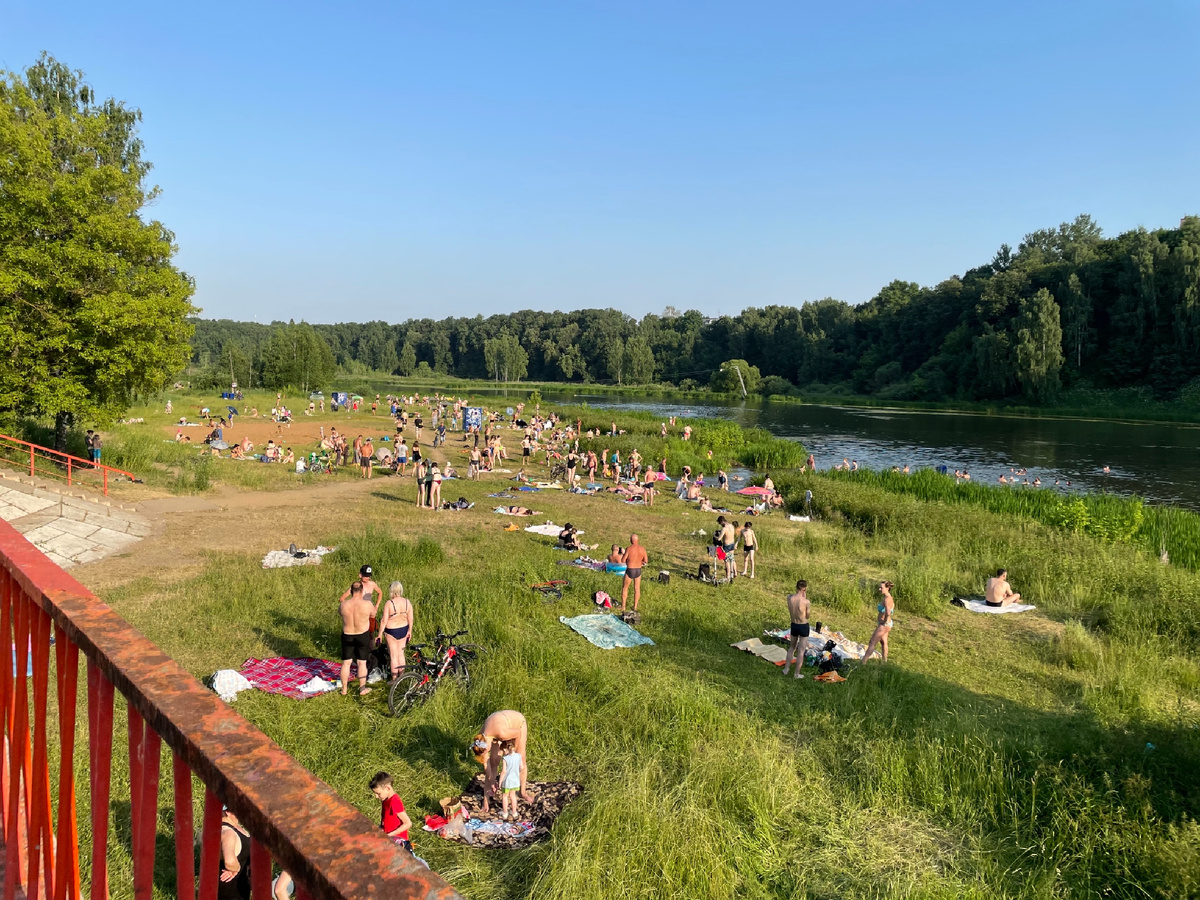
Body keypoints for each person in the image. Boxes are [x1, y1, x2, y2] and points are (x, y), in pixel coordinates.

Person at [473, 710, 532, 809]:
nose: (485, 754)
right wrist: (492, 781)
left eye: (486, 752)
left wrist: (512, 754)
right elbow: (486, 765)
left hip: (516, 725)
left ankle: (523, 792)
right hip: (497, 727)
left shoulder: (502, 733)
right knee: (493, 762)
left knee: (520, 758)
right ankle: (486, 801)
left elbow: (517, 733)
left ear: (487, 746)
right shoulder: (480, 739)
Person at [338, 581, 374, 696]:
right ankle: (362, 688)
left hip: (347, 634)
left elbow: (340, 613)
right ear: (362, 591)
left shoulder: (344, 605)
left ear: (351, 591)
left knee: (346, 663)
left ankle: (344, 689)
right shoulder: (367, 604)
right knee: (361, 663)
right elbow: (373, 615)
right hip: (362, 634)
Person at [377, 582, 413, 679]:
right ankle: (401, 678)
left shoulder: (389, 603)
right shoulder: (407, 602)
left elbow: (384, 620)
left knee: (393, 656)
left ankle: (394, 679)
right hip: (404, 629)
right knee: (401, 655)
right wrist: (410, 630)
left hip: (391, 631)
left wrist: (380, 634)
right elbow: (410, 618)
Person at [218, 806, 252, 900]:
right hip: (230, 891)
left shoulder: (236, 828)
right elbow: (229, 861)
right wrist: (236, 868)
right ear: (228, 812)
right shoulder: (228, 832)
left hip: (240, 888)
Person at [781, 580, 810, 679]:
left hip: (794, 624)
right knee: (801, 651)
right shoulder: (806, 602)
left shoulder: (789, 598)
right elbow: (808, 615)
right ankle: (796, 674)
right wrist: (804, 598)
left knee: (791, 648)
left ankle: (786, 669)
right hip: (803, 625)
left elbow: (791, 597)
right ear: (804, 589)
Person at [862, 581, 894, 662]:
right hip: (888, 624)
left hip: (884, 625)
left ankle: (863, 662)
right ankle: (884, 661)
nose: (879, 589)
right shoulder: (889, 597)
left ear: (887, 588)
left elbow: (888, 612)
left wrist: (885, 621)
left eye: (881, 588)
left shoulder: (887, 599)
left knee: (872, 642)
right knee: (884, 642)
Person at [621, 534, 648, 612]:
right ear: (638, 540)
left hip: (630, 569)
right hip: (638, 570)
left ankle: (623, 606)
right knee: (637, 588)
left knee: (625, 588)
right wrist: (640, 563)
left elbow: (623, 560)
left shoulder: (628, 549)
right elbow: (646, 561)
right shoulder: (642, 549)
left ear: (630, 540)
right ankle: (635, 606)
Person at [498, 739, 523, 821]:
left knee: (505, 796)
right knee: (513, 796)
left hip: (507, 782)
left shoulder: (505, 758)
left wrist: (500, 781)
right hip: (515, 781)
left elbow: (504, 772)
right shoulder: (519, 756)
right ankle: (514, 812)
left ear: (505, 749)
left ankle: (505, 813)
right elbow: (521, 768)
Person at [716, 516, 737, 581]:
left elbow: (719, 539)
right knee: (732, 559)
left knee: (727, 561)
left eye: (720, 523)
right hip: (732, 544)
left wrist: (715, 536)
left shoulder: (724, 529)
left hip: (726, 545)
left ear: (722, 522)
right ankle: (735, 572)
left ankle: (728, 575)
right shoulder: (732, 526)